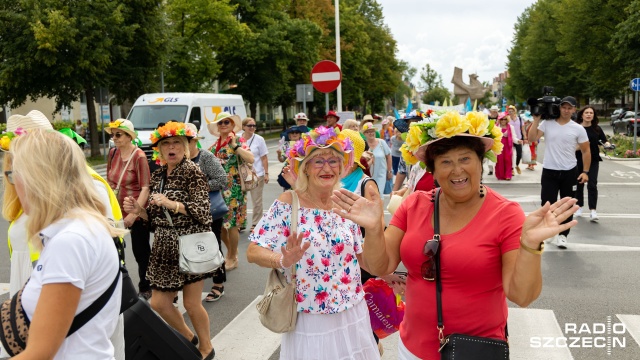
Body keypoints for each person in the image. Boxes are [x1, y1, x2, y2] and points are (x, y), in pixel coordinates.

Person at [331, 110, 578, 359]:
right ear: (433, 172)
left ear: (481, 162)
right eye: (445, 162)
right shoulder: (413, 204)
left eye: (465, 159)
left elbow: (522, 296)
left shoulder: (506, 213)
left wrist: (530, 245)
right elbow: (379, 264)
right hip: (411, 348)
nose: (457, 170)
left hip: (475, 350)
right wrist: (374, 229)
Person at [247, 126, 380, 360]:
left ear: (342, 166)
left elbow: (362, 258)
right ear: (305, 167)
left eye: (333, 161)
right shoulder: (289, 202)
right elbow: (253, 251)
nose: (327, 167)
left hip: (353, 311)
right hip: (311, 317)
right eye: (318, 161)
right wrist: (282, 259)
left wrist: (391, 273)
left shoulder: (347, 202)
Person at [7, 129, 126, 359]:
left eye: (13, 175)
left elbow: (40, 353)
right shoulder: (79, 228)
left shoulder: (70, 241)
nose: (12, 185)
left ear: (36, 177)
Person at [124, 122, 215, 360]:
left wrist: (173, 204)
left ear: (185, 147)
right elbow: (154, 219)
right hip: (164, 246)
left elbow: (204, 212)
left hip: (188, 244)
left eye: (176, 143)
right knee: (159, 303)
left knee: (193, 304)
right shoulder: (158, 175)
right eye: (166, 144)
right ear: (160, 150)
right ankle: (188, 338)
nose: (171, 147)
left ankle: (206, 347)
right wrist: (139, 210)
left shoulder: (192, 171)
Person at [528, 96, 590, 249]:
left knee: (567, 205)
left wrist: (585, 171)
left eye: (570, 108)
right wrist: (536, 120)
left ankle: (563, 235)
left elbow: (586, 150)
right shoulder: (547, 124)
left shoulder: (578, 128)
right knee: (546, 204)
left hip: (569, 172)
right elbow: (531, 139)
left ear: (574, 109)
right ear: (559, 107)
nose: (566, 110)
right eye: (564, 107)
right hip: (550, 171)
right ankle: (548, 232)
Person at [105, 119, 152, 300]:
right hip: (116, 210)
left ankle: (145, 286)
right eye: (113, 134)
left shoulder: (138, 156)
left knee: (140, 252)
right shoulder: (112, 153)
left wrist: (134, 214)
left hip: (135, 209)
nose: (114, 138)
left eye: (118, 134)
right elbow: (110, 181)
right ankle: (120, 286)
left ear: (129, 136)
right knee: (115, 250)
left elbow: (145, 187)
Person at [184, 123, 229, 302]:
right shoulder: (178, 160)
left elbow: (222, 180)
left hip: (209, 210)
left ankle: (218, 284)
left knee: (213, 245)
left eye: (188, 140)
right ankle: (193, 281)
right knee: (191, 246)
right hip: (187, 212)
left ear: (195, 141)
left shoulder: (206, 157)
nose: (184, 144)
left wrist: (198, 188)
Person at [208, 112, 254, 271]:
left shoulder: (239, 140)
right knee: (219, 225)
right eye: (220, 123)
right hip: (217, 190)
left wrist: (235, 146)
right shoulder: (215, 145)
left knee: (232, 225)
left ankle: (233, 257)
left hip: (234, 189)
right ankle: (231, 251)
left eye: (226, 122)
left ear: (233, 125)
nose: (223, 125)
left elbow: (251, 158)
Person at [574, 105, 609, 221]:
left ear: (593, 115)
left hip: (593, 160)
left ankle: (593, 210)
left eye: (591, 113)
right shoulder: (577, 128)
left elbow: (604, 141)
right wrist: (582, 147)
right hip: (578, 159)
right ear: (582, 115)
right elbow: (571, 146)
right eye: (586, 113)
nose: (589, 115)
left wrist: (608, 145)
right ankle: (579, 207)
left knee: (592, 184)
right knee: (579, 184)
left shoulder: (597, 129)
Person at [241, 117, 269, 232]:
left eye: (254, 126)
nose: (252, 128)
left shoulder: (259, 139)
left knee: (257, 200)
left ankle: (256, 223)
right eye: (249, 125)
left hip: (257, 174)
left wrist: (266, 173)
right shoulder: (238, 139)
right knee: (240, 200)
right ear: (243, 127)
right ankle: (241, 222)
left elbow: (264, 157)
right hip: (241, 174)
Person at [363, 123, 392, 195]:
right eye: (368, 131)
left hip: (381, 175)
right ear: (364, 134)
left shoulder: (382, 143)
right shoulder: (363, 145)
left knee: (379, 195)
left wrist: (389, 171)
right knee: (369, 196)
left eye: (372, 131)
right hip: (367, 176)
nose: (371, 133)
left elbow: (388, 156)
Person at [495, 112, 518, 181]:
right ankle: (500, 175)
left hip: (508, 146)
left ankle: (508, 175)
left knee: (508, 160)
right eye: (501, 119)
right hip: (499, 146)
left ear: (507, 120)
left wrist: (518, 141)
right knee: (499, 160)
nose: (503, 121)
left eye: (505, 119)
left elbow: (514, 137)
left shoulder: (511, 127)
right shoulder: (496, 127)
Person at [507, 105, 527, 175]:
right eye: (509, 111)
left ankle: (516, 165)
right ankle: (511, 169)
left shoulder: (520, 119)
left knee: (519, 154)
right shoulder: (507, 119)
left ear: (515, 111)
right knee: (511, 155)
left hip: (518, 139)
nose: (510, 112)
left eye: (512, 111)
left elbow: (523, 129)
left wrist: (525, 137)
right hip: (510, 139)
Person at [486, 105, 500, 175]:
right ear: (490, 111)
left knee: (497, 153)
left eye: (496, 111)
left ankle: (498, 168)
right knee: (490, 152)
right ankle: (490, 169)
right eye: (493, 111)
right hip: (489, 136)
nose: (494, 112)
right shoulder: (487, 118)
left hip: (497, 137)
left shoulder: (500, 118)